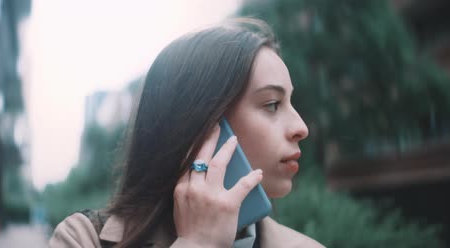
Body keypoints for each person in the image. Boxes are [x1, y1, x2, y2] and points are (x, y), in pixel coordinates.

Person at [49, 18, 324, 248]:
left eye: (290, 102)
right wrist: (198, 242)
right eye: (272, 104)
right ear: (202, 124)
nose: (301, 128)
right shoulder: (82, 239)